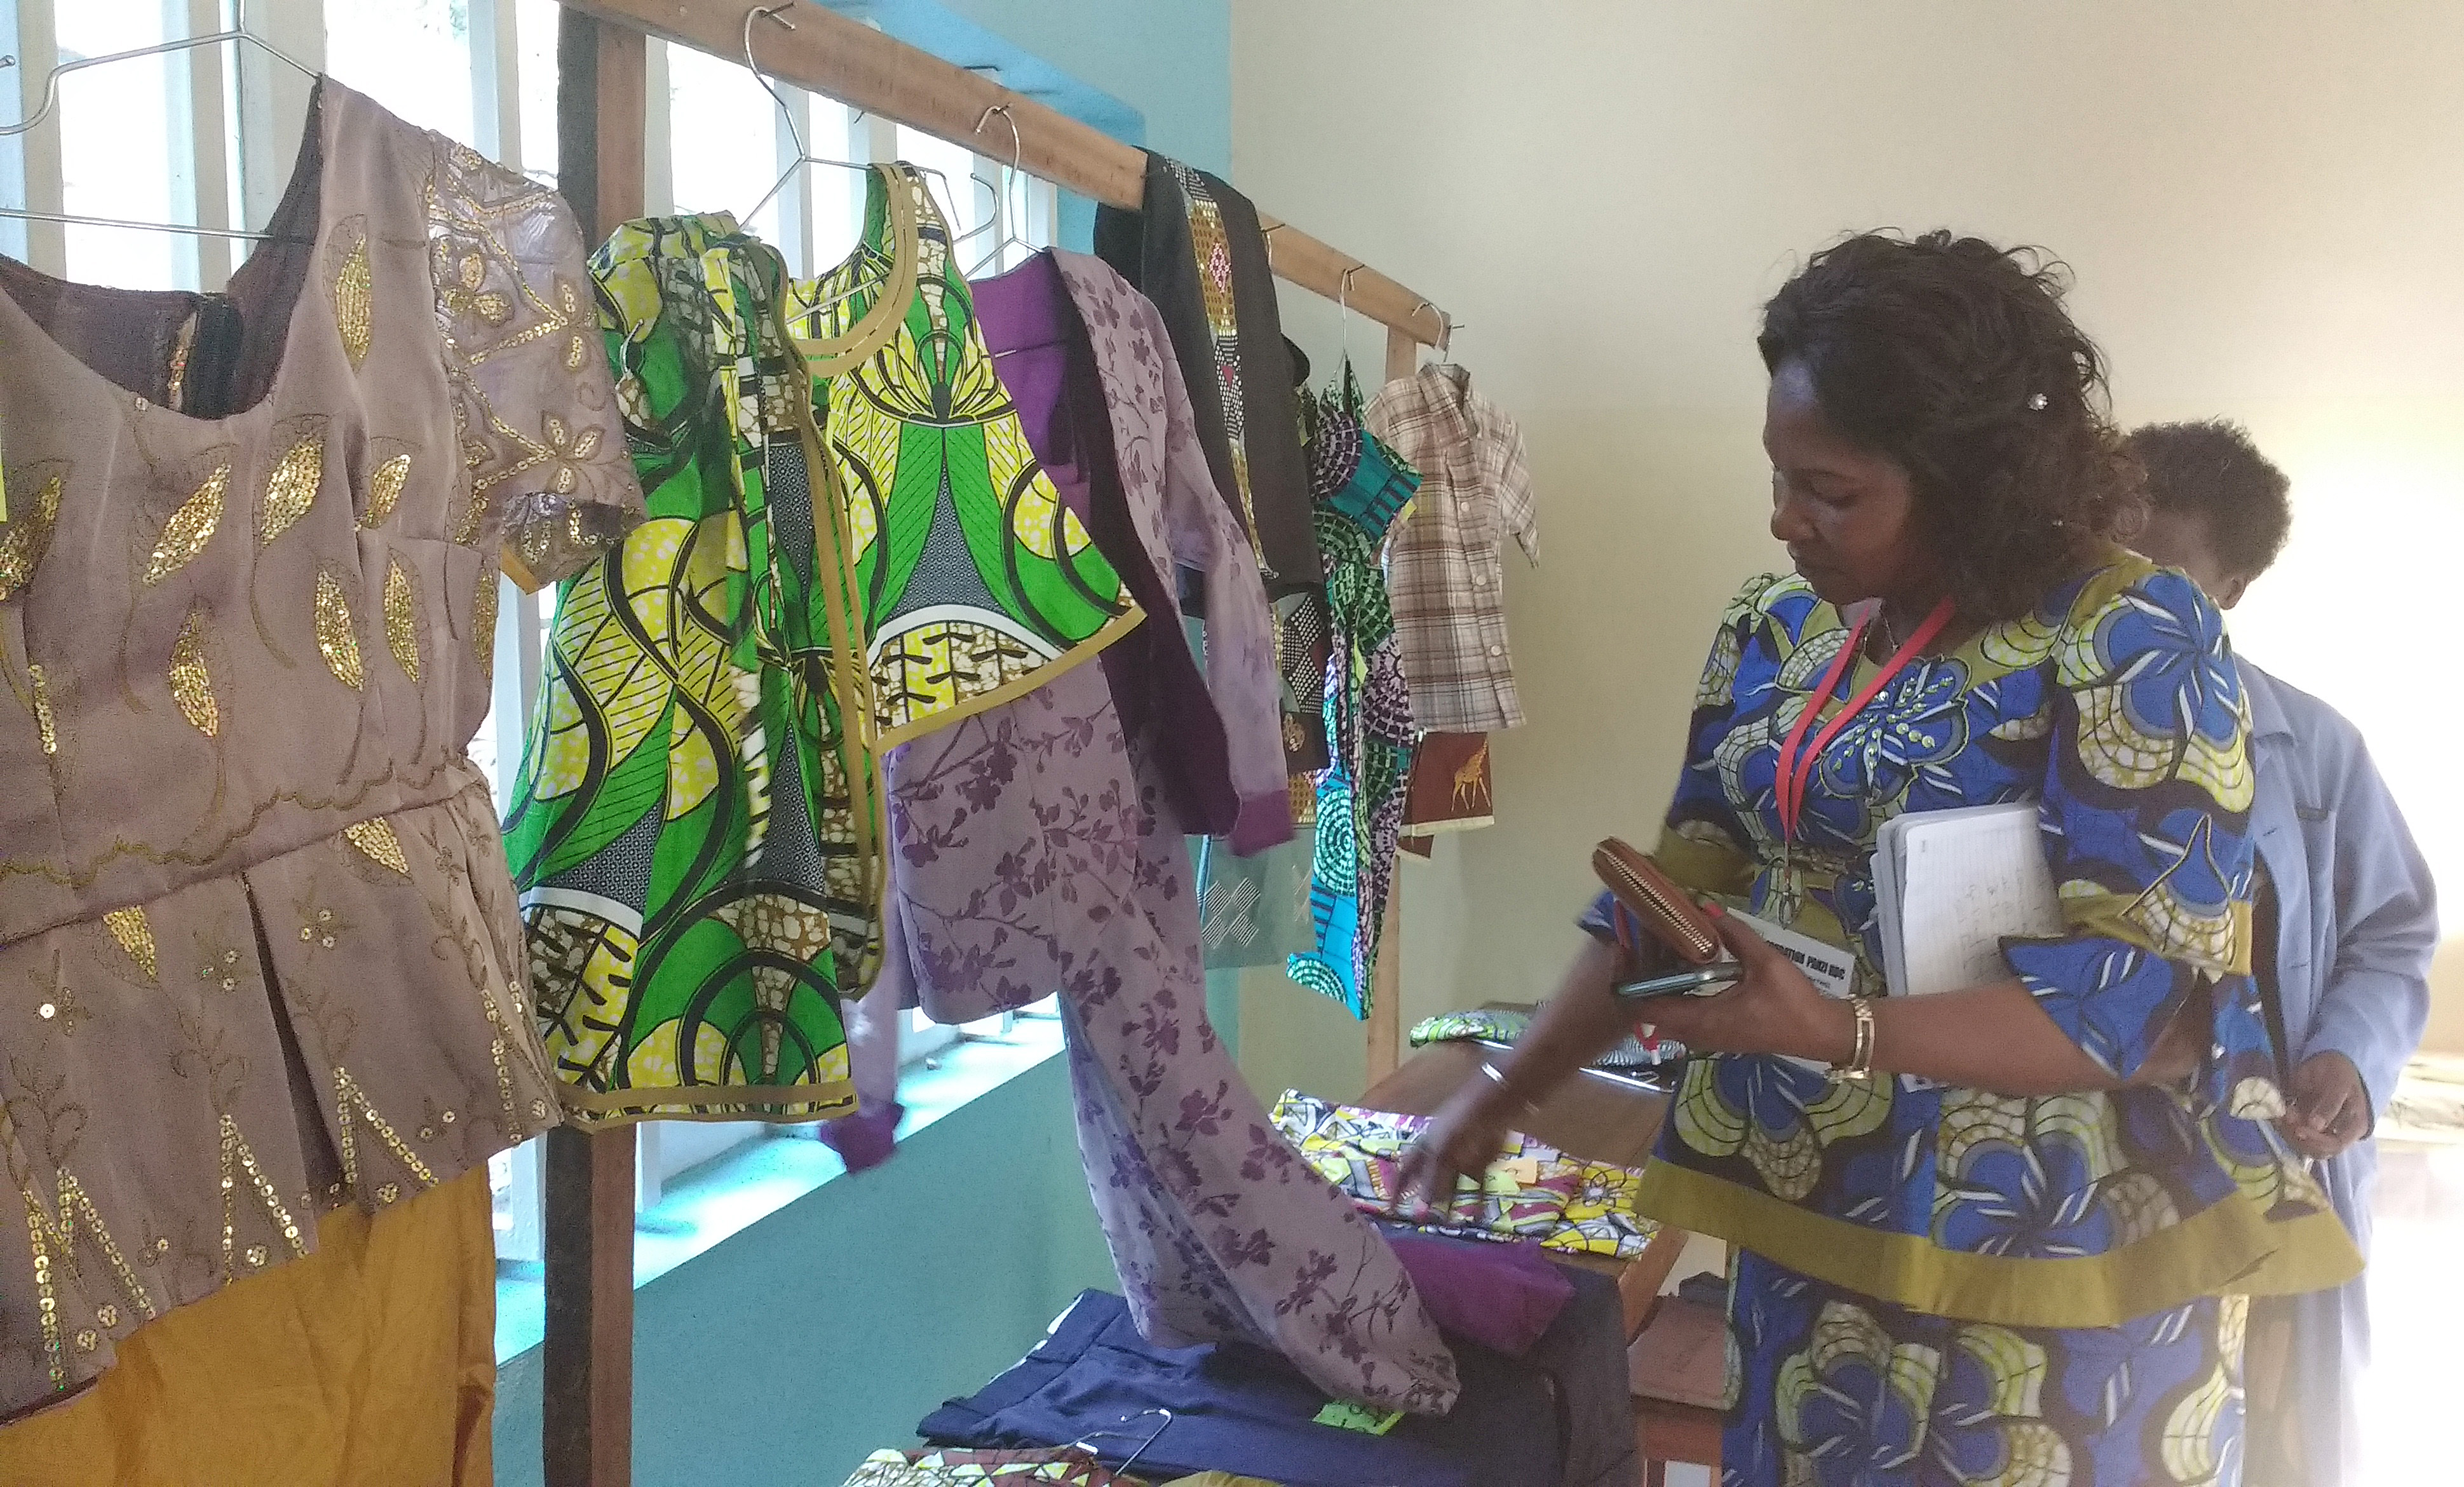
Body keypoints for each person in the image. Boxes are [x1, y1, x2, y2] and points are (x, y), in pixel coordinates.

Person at [1400, 232, 2362, 1486]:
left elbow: (2139, 998)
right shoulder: (1780, 628)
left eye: (1831, 491)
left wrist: (1836, 1030)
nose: (1784, 516)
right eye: (1779, 476)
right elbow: (1668, 896)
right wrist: (1501, 1095)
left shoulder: (2125, 633)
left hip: (2048, 1254)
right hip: (1817, 1220)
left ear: (1969, 483)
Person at [2129, 419, 2437, 1487]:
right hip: (2088, 1155)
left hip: (2256, 1161)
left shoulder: (2312, 748)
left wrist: (2347, 1051)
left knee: (2260, 1432)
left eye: (2160, 574)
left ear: (2232, 588)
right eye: (2101, 558)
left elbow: (2391, 929)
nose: (2120, 597)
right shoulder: (2019, 720)